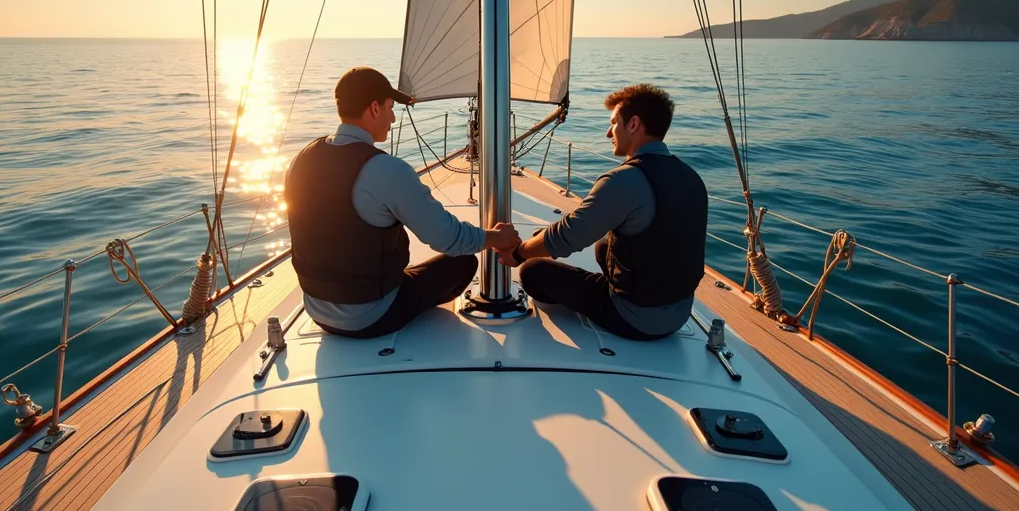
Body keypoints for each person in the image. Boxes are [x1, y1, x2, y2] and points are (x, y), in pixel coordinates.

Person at [285, 67, 521, 338]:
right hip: (370, 316)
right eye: (389, 107)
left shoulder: (300, 160)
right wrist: (494, 238)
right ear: (374, 108)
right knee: (463, 263)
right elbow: (449, 239)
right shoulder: (385, 169)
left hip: (315, 309)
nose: (393, 117)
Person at [500, 83, 708, 340]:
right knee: (602, 246)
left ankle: (613, 298)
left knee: (532, 271)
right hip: (678, 312)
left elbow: (567, 236)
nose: (609, 133)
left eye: (613, 123)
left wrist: (519, 253)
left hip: (637, 318)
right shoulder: (690, 176)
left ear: (633, 124)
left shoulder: (624, 180)